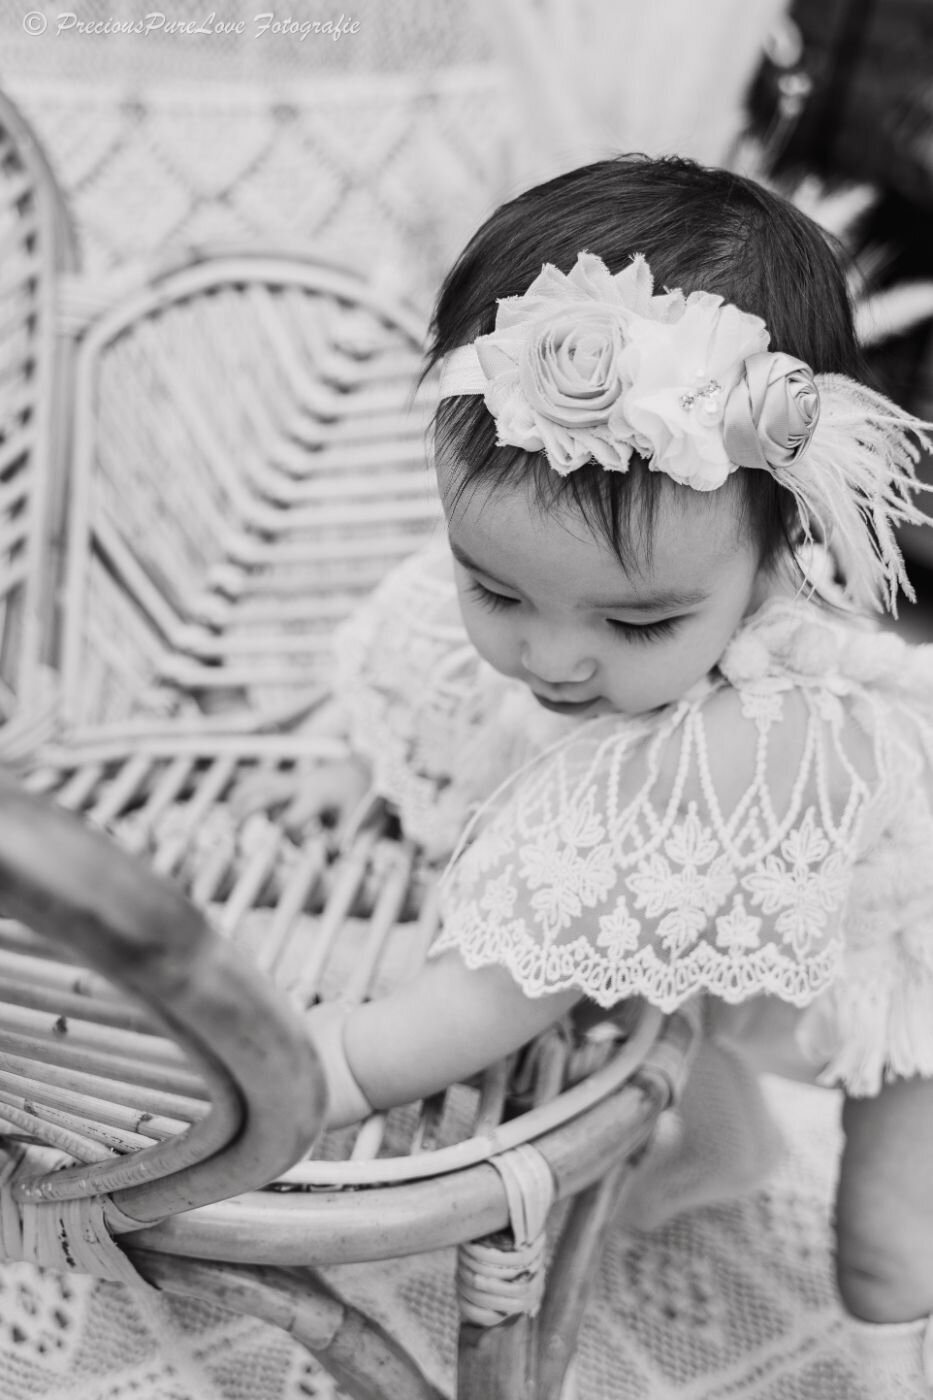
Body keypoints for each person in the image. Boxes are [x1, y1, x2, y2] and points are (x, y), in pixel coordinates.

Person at [237, 156, 933, 1394]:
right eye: (494, 588)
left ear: (781, 553)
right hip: (731, 891)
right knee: (671, 969)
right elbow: (438, 629)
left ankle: (893, 1366)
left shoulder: (749, 741)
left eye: (638, 623)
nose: (551, 657)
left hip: (898, 965)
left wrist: (308, 1067)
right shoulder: (571, 575)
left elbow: (485, 1000)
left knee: (888, 1237)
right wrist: (364, 750)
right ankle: (724, 1137)